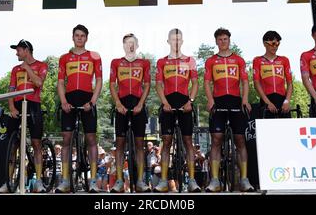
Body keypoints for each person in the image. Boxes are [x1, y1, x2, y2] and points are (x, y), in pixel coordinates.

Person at [204, 28, 254, 192]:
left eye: (225, 39)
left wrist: (245, 99)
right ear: (216, 42)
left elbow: (245, 81)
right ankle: (215, 180)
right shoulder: (211, 61)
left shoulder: (239, 60)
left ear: (229, 40)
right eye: (220, 39)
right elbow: (206, 82)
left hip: (236, 101)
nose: (223, 42)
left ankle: (244, 179)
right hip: (218, 101)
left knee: (240, 140)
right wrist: (210, 100)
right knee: (216, 139)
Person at [55, 24, 103, 193]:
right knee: (66, 139)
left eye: (83, 35)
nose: (80, 38)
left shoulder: (94, 56)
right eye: (77, 35)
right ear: (73, 37)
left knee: (91, 139)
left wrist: (93, 101)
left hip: (87, 99)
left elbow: (98, 81)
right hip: (69, 98)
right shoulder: (64, 58)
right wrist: (63, 102)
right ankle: (66, 180)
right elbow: (60, 82)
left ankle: (93, 181)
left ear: (86, 38)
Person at [0, 40, 48, 193]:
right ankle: (8, 182)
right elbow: (11, 90)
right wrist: (11, 107)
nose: (16, 53)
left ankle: (38, 181)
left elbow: (39, 83)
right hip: (17, 105)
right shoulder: (15, 69)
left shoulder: (41, 65)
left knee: (36, 143)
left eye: (18, 50)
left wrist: (28, 69)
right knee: (12, 145)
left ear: (26, 50)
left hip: (33, 105)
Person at [154, 28, 201, 193]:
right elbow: (158, 84)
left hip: (184, 102)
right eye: (173, 39)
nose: (175, 42)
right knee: (166, 142)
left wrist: (191, 101)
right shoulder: (161, 61)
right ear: (168, 41)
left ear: (182, 41)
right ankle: (164, 181)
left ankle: (193, 181)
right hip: (168, 103)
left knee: (188, 142)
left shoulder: (190, 60)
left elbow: (195, 83)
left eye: (178, 39)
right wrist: (164, 102)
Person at [109, 33, 151, 193]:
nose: (130, 46)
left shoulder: (144, 63)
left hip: (138, 104)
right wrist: (118, 104)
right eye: (127, 43)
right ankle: (119, 181)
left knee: (140, 144)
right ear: (124, 45)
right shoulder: (116, 62)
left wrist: (141, 104)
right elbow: (112, 85)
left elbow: (147, 85)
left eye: (133, 43)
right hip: (121, 104)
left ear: (137, 45)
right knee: (119, 144)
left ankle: (140, 181)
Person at [253, 31, 293, 118]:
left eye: (277, 44)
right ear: (265, 44)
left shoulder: (284, 60)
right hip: (266, 100)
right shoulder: (257, 60)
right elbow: (256, 83)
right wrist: (268, 103)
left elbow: (290, 83)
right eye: (272, 43)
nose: (275, 46)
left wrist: (287, 101)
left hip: (282, 100)